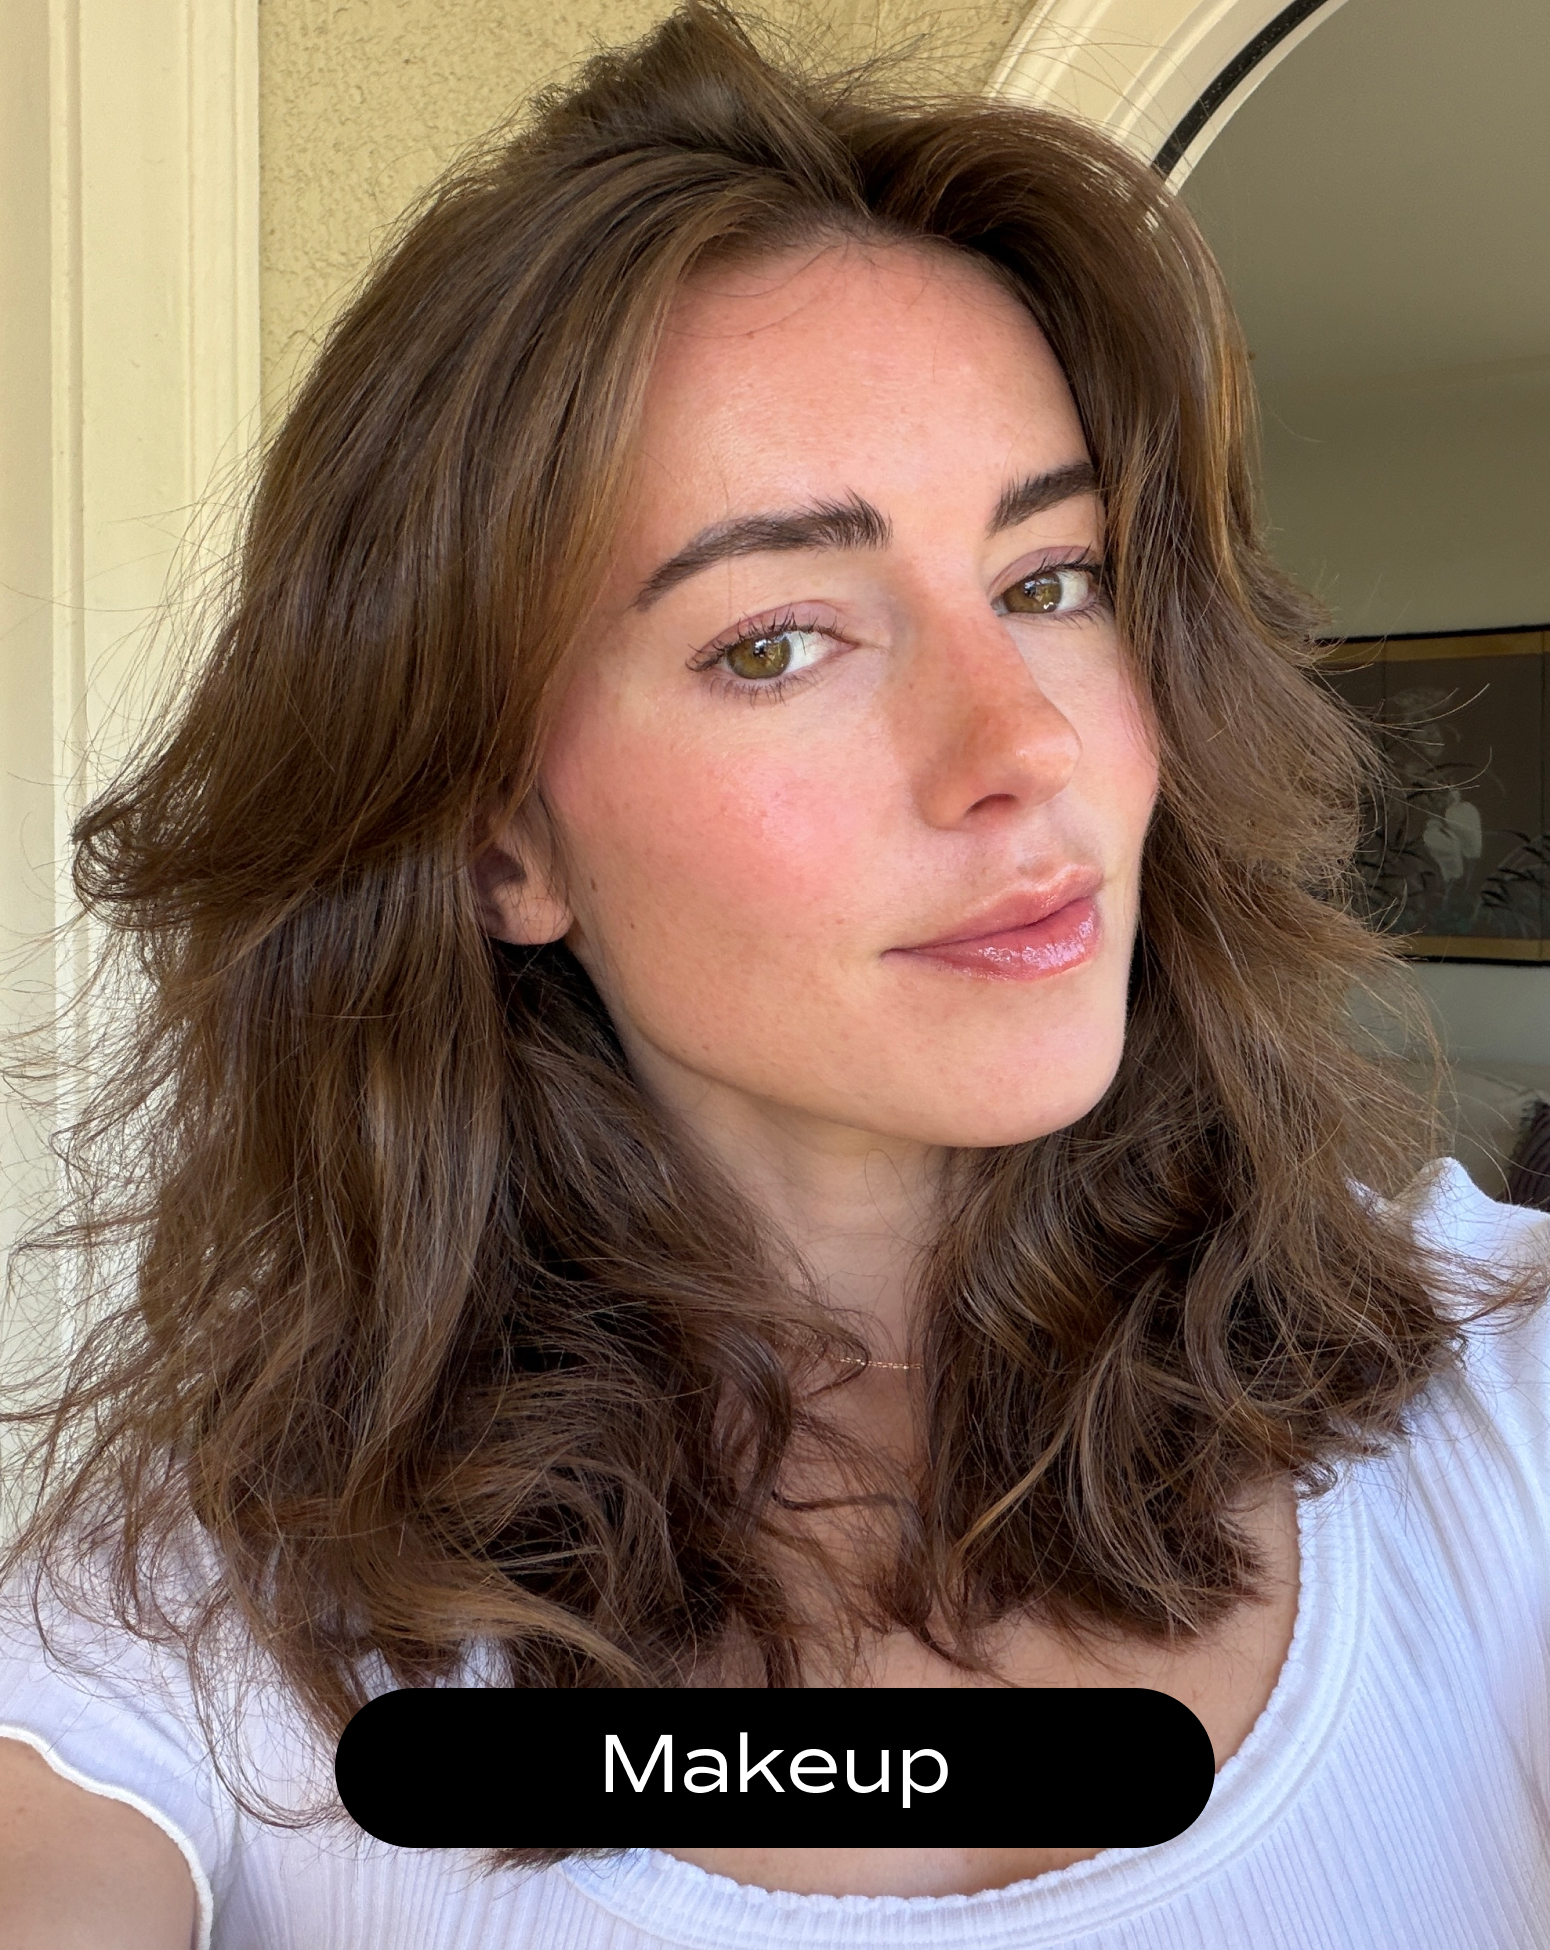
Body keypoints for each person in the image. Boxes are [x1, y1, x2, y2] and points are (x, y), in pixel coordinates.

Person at [2, 5, 1546, 1945]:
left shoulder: (1499, 1399)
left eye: (1048, 581)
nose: (1022, 748)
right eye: (777, 642)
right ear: (501, 837)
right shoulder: (206, 1615)